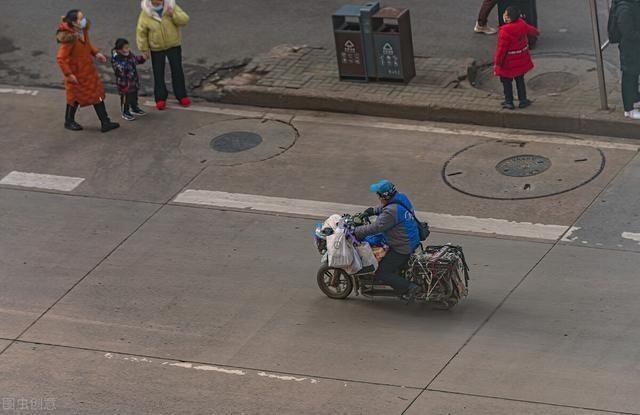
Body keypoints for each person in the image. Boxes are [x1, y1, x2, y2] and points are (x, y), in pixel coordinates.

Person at [354, 180, 421, 301]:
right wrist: (372, 211)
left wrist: (356, 231)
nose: (378, 198)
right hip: (412, 238)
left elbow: (375, 227)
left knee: (381, 272)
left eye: (379, 195)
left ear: (385, 196)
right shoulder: (401, 197)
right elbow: (388, 207)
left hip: (402, 246)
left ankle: (410, 287)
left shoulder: (391, 212)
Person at [56, 9, 119, 132]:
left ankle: (104, 122)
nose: (84, 20)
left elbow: (88, 45)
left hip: (88, 71)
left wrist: (96, 53)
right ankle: (70, 121)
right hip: (77, 74)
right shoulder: (69, 39)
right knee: (75, 98)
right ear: (74, 22)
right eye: (81, 18)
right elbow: (61, 58)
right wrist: (69, 74)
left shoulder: (82, 31)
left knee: (95, 95)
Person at [136, 0, 191, 111]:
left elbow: (184, 20)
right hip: (157, 48)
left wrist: (173, 14)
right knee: (158, 73)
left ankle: (181, 95)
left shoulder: (171, 6)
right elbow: (141, 32)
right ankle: (160, 98)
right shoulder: (146, 12)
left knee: (177, 70)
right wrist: (144, 49)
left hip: (173, 44)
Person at [494, 6, 540, 110]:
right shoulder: (521, 24)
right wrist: (537, 32)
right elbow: (531, 30)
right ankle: (523, 100)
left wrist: (498, 64)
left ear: (508, 19)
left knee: (507, 83)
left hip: (508, 63)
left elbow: (501, 50)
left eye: (505, 14)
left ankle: (509, 101)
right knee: (520, 81)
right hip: (520, 60)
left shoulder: (504, 32)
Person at [613, 0, 640, 119]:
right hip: (630, 50)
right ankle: (629, 109)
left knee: (633, 76)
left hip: (635, 48)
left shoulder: (633, 4)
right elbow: (629, 33)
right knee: (629, 77)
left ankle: (635, 101)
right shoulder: (624, 8)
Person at [111, 38, 147, 121]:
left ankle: (134, 107)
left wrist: (142, 58)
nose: (128, 49)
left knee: (134, 95)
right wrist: (128, 64)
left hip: (133, 80)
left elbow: (135, 59)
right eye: (126, 48)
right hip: (124, 83)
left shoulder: (129, 55)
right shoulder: (117, 59)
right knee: (126, 98)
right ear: (119, 50)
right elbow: (120, 70)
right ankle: (125, 112)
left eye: (128, 47)